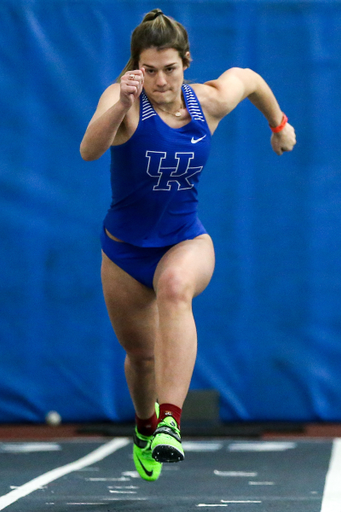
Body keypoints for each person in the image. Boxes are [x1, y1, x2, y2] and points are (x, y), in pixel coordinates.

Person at [80, 8, 296, 481]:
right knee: (141, 359)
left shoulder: (209, 101)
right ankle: (144, 426)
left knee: (176, 287)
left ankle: (170, 423)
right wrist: (121, 103)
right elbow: (89, 149)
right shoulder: (124, 98)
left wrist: (279, 125)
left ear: (186, 63)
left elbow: (251, 79)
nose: (160, 81)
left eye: (170, 69)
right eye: (149, 70)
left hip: (185, 240)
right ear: (136, 67)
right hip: (124, 250)